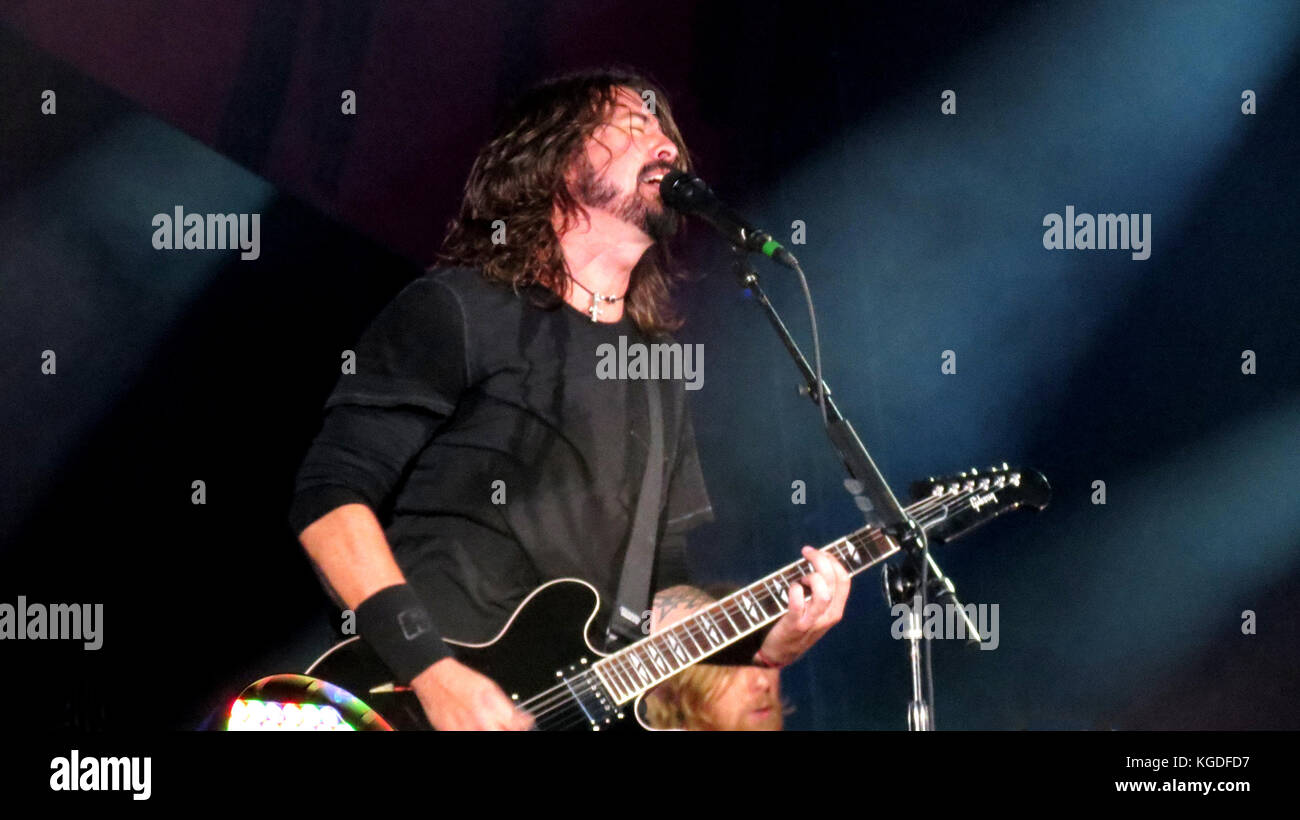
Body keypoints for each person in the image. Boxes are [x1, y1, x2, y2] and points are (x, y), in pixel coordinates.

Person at [288, 67, 850, 731]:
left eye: (666, 127)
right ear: (554, 161)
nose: (666, 142)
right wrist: (433, 674)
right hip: (408, 703)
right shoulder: (459, 309)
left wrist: (760, 645)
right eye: (634, 124)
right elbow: (329, 499)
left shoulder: (654, 366)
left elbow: (657, 587)